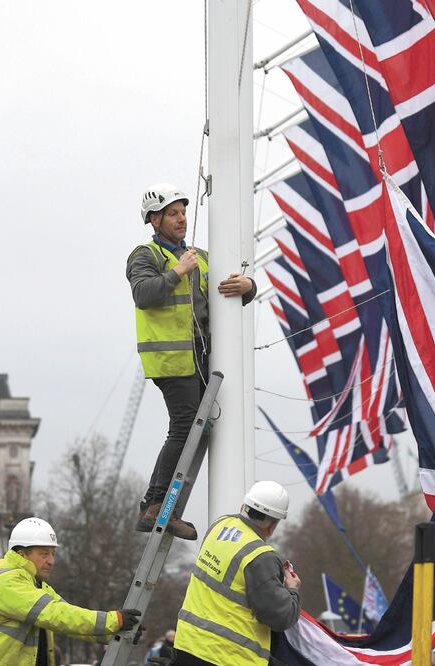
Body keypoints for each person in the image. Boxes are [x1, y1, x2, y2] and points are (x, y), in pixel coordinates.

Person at [127, 183, 256, 540]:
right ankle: (155, 506)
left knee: (197, 429)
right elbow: (143, 294)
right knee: (184, 427)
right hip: (171, 359)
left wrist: (248, 287)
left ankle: (159, 506)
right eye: (173, 213)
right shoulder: (146, 255)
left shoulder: (200, 257)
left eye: (183, 212)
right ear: (154, 220)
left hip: (200, 357)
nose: (181, 219)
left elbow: (225, 294)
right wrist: (177, 272)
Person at [0, 517, 142, 665]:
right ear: (22, 554)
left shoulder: (35, 584)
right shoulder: (8, 580)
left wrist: (113, 633)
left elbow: (69, 620)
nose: (51, 561)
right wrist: (113, 621)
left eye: (53, 554)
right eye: (44, 554)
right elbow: (56, 615)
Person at [172, 481, 302, 665]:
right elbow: (280, 617)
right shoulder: (261, 556)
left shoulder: (219, 525)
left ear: (244, 506)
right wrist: (292, 590)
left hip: (187, 645)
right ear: (273, 524)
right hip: (228, 657)